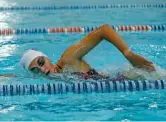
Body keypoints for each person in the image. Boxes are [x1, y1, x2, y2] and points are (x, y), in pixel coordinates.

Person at [20, 24, 155, 80]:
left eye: (41, 62)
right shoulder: (58, 78)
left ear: (47, 58)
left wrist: (128, 54)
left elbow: (104, 30)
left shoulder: (68, 58)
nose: (42, 70)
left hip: (132, 77)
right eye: (35, 70)